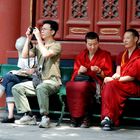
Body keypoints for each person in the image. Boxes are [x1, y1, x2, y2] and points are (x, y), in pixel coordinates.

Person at [12, 20, 62, 128]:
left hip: (52, 81)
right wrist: (28, 39)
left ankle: (45, 117)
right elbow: (24, 55)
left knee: (41, 87)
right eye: (41, 29)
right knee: (17, 88)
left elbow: (46, 54)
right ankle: (28, 116)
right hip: (40, 81)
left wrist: (38, 38)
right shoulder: (39, 46)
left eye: (44, 29)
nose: (41, 31)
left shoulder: (56, 45)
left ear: (52, 32)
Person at [66, 32, 113, 128]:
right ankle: (75, 116)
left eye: (95, 44)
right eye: (90, 44)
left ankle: (85, 117)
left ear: (98, 43)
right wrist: (79, 71)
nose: (92, 47)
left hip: (96, 83)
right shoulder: (81, 55)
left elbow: (108, 76)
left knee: (83, 87)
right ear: (86, 44)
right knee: (70, 85)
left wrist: (99, 71)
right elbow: (74, 75)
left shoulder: (105, 55)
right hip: (82, 81)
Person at [101, 28, 140, 131]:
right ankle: (108, 118)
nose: (125, 40)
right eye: (124, 38)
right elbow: (118, 73)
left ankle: (109, 117)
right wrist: (113, 77)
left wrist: (114, 80)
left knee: (111, 85)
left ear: (136, 39)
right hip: (122, 84)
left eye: (128, 38)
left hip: (134, 85)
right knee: (109, 85)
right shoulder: (121, 55)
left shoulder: (139, 56)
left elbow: (132, 77)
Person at [0, 36, 36, 123]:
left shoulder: (36, 53)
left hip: (34, 80)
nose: (21, 52)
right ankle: (10, 116)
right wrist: (20, 72)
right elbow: (23, 69)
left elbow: (35, 71)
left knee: (8, 76)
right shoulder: (22, 53)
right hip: (24, 78)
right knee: (9, 84)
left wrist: (27, 72)